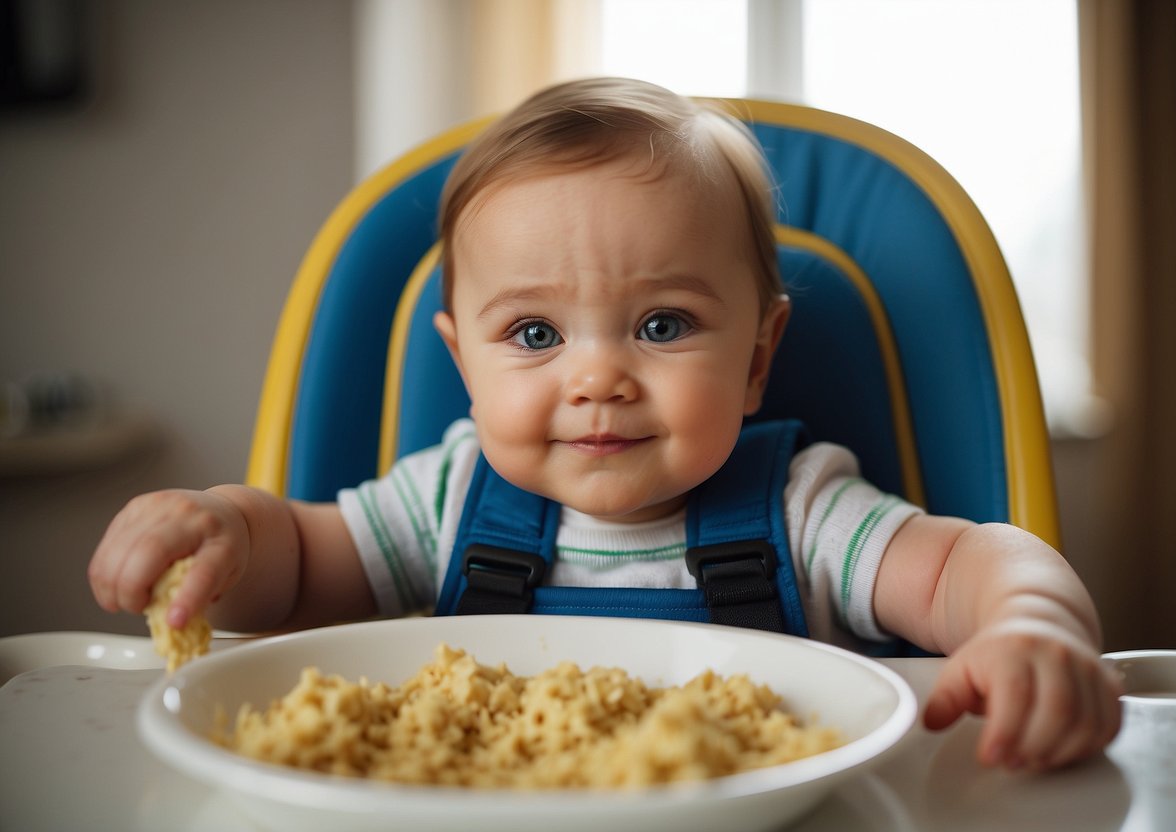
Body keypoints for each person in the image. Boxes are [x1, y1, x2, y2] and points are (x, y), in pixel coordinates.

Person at [89, 77, 1121, 771]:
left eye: (661, 325)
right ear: (462, 364)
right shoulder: (447, 498)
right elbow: (303, 566)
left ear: (756, 358)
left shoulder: (802, 508)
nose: (597, 378)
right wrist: (223, 526)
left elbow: (973, 567)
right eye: (534, 332)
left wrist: (1027, 623)